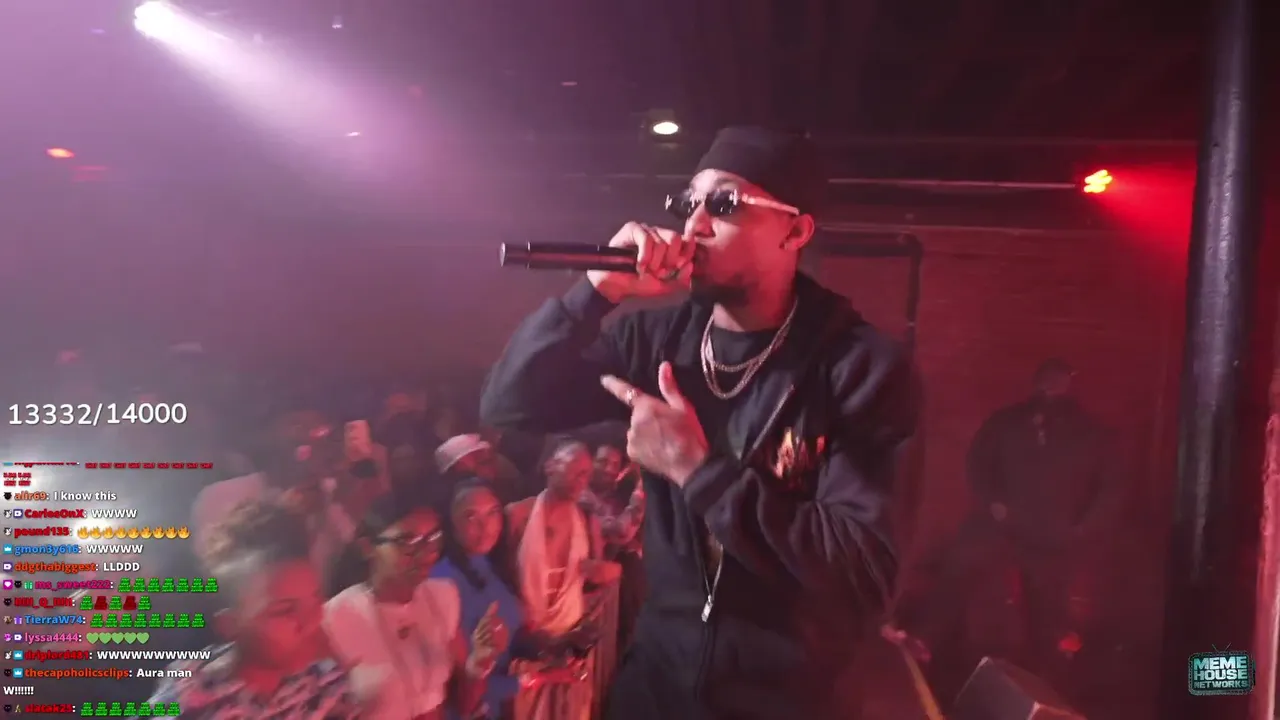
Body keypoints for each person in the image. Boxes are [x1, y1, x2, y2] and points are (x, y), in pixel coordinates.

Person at [480, 126, 920, 720]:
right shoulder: (658, 340)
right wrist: (596, 293)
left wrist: (698, 471)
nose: (695, 224)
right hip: (656, 686)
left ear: (795, 231)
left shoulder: (859, 369)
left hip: (788, 703)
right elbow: (510, 404)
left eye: (725, 203)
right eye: (688, 203)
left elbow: (865, 574)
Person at [965, 358, 1118, 686]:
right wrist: (993, 503)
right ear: (1035, 383)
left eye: (1059, 381)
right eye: (1047, 381)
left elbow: (1111, 484)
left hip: (1058, 536)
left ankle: (1047, 679)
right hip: (1009, 530)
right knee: (1000, 600)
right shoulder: (1006, 423)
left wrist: (1084, 525)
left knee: (1049, 612)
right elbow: (978, 463)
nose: (1052, 389)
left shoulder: (1090, 432)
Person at [143, 500, 360, 719]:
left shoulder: (322, 676)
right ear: (229, 625)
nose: (312, 620)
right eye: (285, 610)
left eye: (315, 599)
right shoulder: (190, 699)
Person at [324, 496, 508, 720]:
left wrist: (480, 661)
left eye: (433, 539)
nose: (426, 553)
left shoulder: (442, 596)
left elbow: (465, 705)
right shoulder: (339, 616)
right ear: (367, 547)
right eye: (407, 542)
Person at [505, 439, 621, 720]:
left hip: (569, 641)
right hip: (529, 644)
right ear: (550, 466)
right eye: (574, 470)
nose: (581, 480)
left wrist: (605, 571)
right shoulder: (518, 514)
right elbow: (504, 579)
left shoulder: (587, 520)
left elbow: (594, 579)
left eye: (586, 473)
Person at [432, 479, 528, 719]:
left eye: (493, 513)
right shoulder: (442, 583)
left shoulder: (495, 564)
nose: (485, 526)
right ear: (451, 524)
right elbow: (455, 687)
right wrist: (529, 680)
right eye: (471, 516)